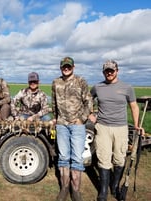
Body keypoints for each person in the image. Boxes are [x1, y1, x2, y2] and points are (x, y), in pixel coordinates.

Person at [89, 60, 143, 201]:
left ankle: (115, 186)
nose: (109, 73)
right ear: (103, 72)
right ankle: (103, 191)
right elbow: (88, 100)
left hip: (121, 128)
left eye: (112, 70)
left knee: (119, 159)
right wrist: (91, 114)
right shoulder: (97, 87)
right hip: (102, 127)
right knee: (103, 159)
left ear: (117, 71)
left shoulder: (127, 87)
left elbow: (134, 107)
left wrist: (137, 125)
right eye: (107, 70)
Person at [52, 57, 93, 201]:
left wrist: (81, 119)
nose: (66, 68)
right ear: (61, 67)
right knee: (63, 157)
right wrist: (56, 118)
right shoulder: (55, 82)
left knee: (76, 158)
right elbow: (54, 102)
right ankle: (64, 188)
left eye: (69, 66)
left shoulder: (80, 81)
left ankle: (75, 190)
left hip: (77, 126)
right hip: (62, 124)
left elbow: (88, 102)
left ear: (73, 67)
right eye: (64, 66)